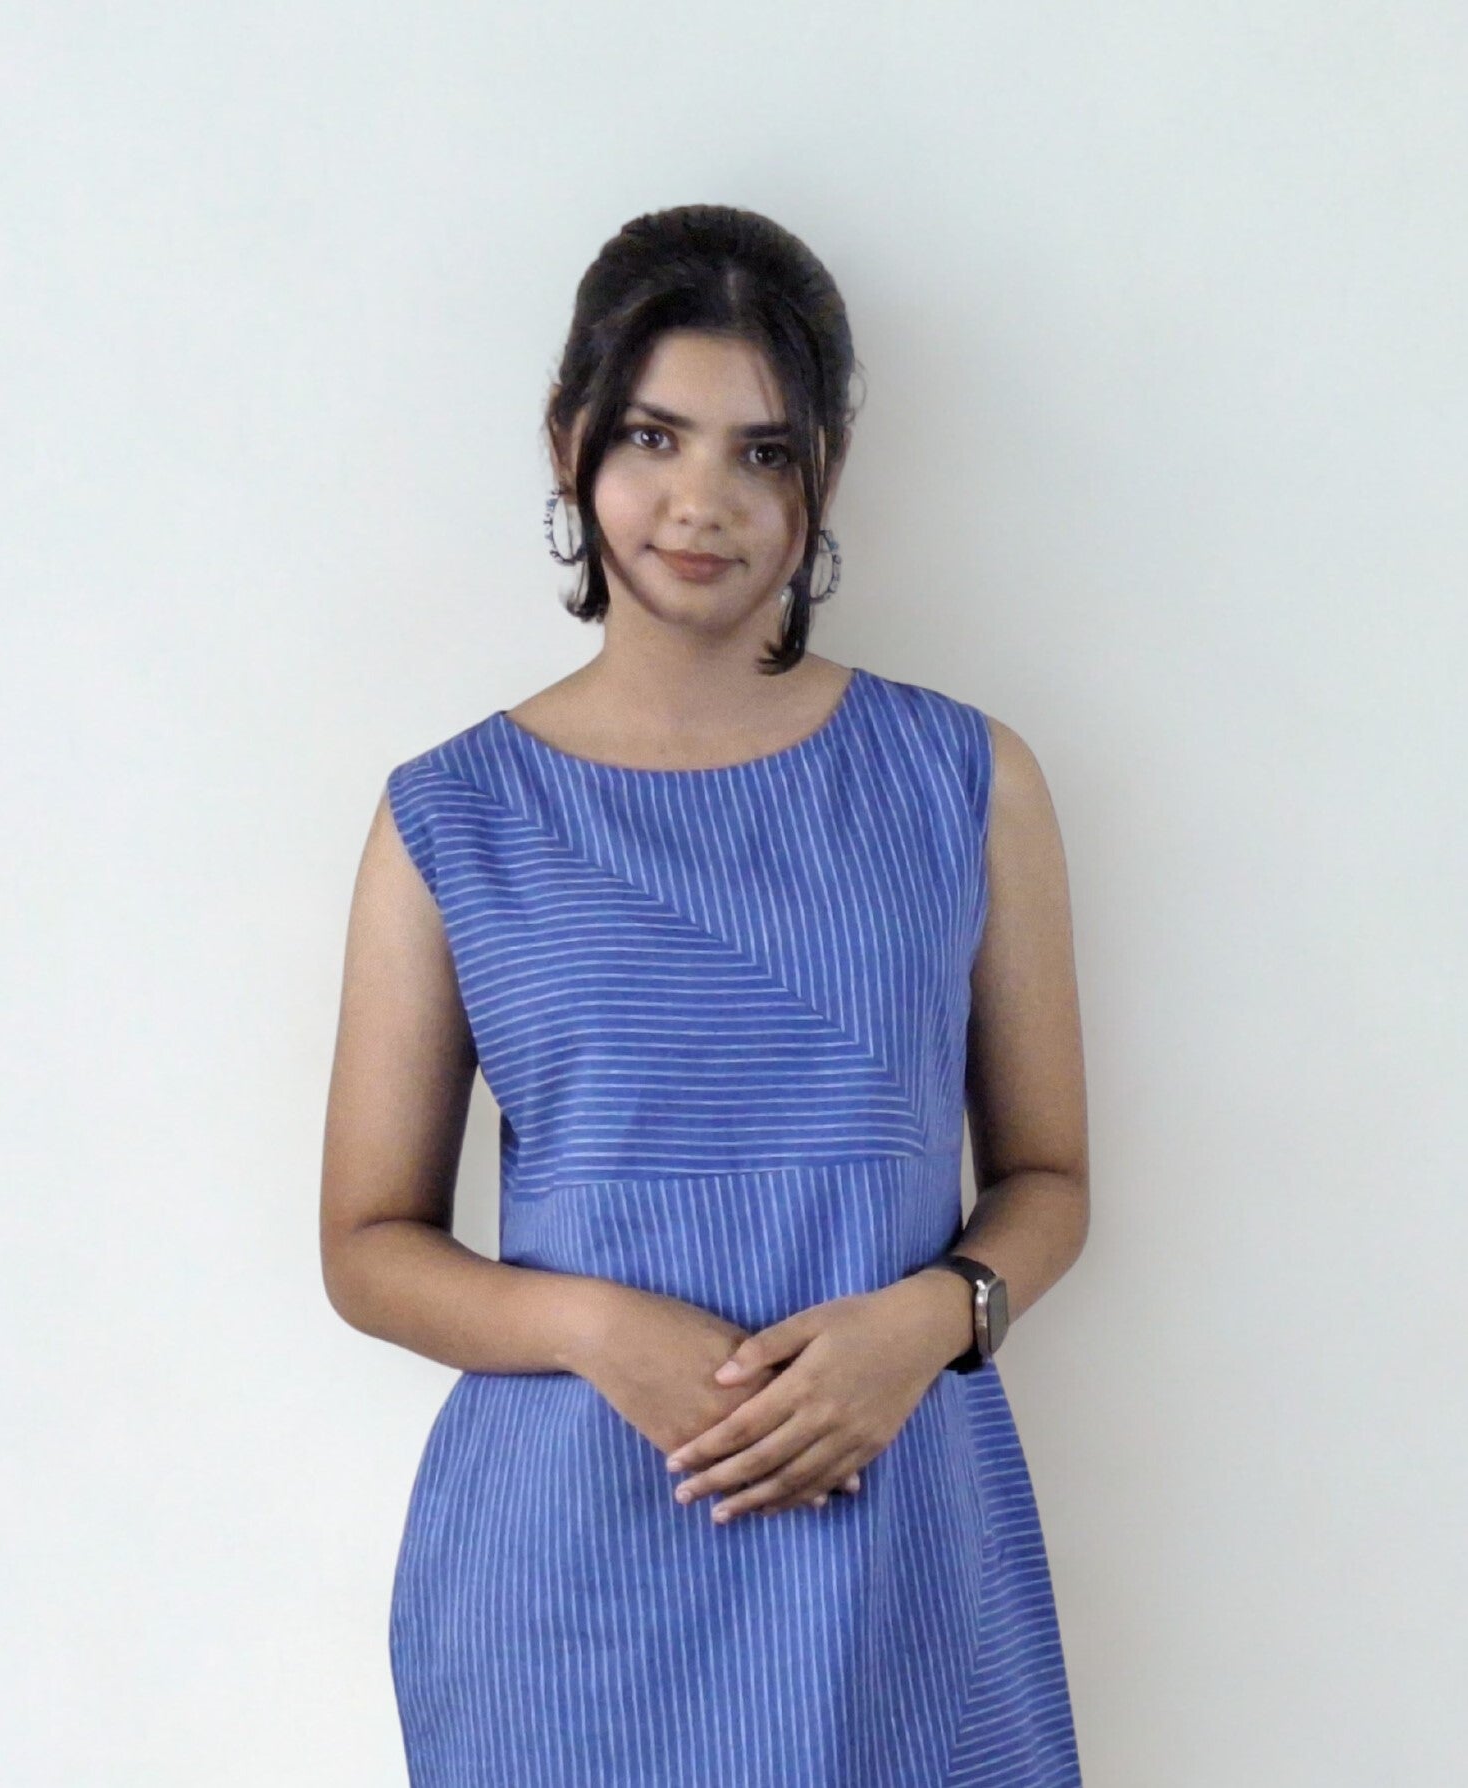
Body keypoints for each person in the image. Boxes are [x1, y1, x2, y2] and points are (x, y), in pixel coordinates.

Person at [321, 203, 1089, 1786]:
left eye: (762, 451)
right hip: (565, 1579)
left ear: (825, 477)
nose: (700, 501)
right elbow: (366, 1245)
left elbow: (1049, 1178)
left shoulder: (965, 781)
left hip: (894, 1538)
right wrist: (595, 1326)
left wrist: (927, 1322)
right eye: (653, 436)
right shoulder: (450, 819)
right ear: (569, 442)